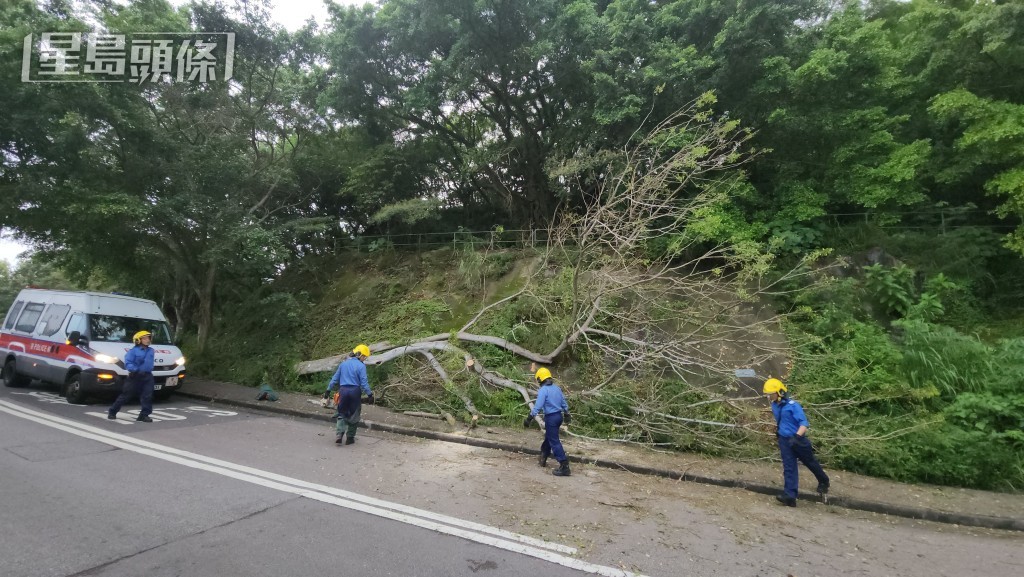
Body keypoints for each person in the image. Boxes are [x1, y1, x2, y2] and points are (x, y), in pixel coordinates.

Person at [764, 377, 830, 506]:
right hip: (784, 440)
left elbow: (804, 424)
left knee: (810, 462)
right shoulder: (774, 405)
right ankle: (790, 496)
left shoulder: (793, 406)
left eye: (770, 394)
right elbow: (782, 420)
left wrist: (796, 437)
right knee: (789, 467)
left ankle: (824, 480)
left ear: (779, 393)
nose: (768, 397)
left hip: (798, 440)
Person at [523, 367, 572, 476]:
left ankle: (564, 465)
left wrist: (529, 418)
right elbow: (564, 403)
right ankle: (544, 455)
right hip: (559, 417)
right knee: (549, 437)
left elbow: (538, 407)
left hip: (551, 418)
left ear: (540, 379)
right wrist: (567, 414)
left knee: (554, 441)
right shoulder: (557, 389)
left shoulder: (543, 390)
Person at [325, 344, 374, 445]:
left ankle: (339, 434)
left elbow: (334, 379)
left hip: (343, 391)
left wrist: (328, 391)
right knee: (354, 414)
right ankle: (350, 437)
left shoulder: (343, 364)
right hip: (355, 392)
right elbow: (364, 383)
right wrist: (370, 395)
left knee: (341, 413)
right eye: (364, 356)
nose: (365, 359)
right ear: (359, 354)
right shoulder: (361, 366)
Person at [108, 330, 156, 422]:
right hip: (135, 376)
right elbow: (128, 363)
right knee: (126, 395)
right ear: (138, 340)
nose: (148, 340)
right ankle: (112, 411)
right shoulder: (133, 351)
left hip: (148, 376)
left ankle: (144, 415)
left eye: (148, 338)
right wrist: (135, 369)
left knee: (147, 396)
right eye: (145, 338)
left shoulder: (151, 351)